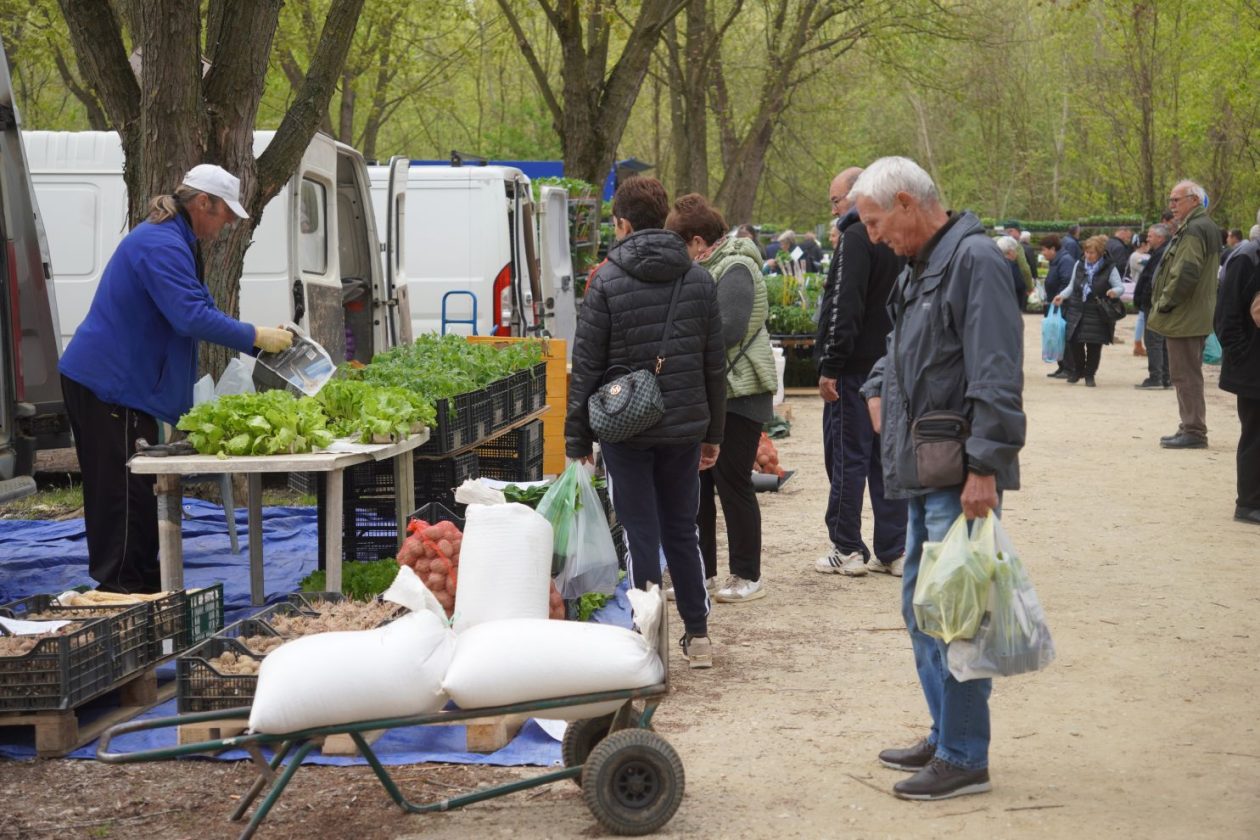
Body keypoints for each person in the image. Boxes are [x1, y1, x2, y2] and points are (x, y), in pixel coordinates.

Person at [853, 156, 1025, 801]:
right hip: (928, 468)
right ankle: (945, 730)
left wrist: (985, 466)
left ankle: (964, 756)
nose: (873, 236)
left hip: (956, 471)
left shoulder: (973, 261)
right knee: (923, 608)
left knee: (955, 615)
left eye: (874, 222)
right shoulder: (924, 266)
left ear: (905, 202)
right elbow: (905, 352)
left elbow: (996, 371)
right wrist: (875, 386)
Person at [58, 164, 294, 594]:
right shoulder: (160, 243)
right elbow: (190, 317)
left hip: (125, 387)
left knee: (142, 492)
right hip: (110, 386)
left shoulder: (176, 241)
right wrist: (254, 336)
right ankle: (121, 593)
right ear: (202, 202)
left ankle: (146, 583)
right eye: (224, 215)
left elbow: (197, 306)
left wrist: (261, 341)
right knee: (123, 496)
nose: (225, 226)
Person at [565, 176, 726, 669]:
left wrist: (577, 438)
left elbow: (587, 362)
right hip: (683, 428)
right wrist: (713, 433)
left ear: (623, 223)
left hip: (624, 429)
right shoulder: (699, 279)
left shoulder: (606, 280)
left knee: (639, 533)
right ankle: (697, 637)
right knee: (683, 528)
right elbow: (713, 364)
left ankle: (646, 636)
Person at [666, 194, 777, 602]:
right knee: (699, 485)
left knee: (732, 483)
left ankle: (747, 575)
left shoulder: (736, 267)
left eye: (681, 244)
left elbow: (728, 330)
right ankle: (703, 573)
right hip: (710, 393)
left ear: (697, 241)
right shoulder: (706, 268)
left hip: (741, 392)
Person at [814, 166, 907, 578]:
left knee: (847, 458)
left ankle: (847, 546)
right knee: (884, 457)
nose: (834, 209)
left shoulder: (855, 236)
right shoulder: (894, 233)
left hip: (855, 368)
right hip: (890, 363)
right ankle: (894, 546)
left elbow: (843, 305)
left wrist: (831, 363)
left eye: (835, 200)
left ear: (854, 196)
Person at [1148, 180, 1221, 449]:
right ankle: (1189, 426)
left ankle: (1193, 430)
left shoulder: (1195, 228)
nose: (1172, 206)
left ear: (1193, 199)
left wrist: (1166, 302)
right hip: (1191, 312)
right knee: (1185, 373)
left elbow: (1187, 271)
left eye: (1176, 200)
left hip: (1185, 314)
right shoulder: (1201, 226)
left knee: (1185, 374)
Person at [1215, 218, 1260, 525]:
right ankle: (1248, 502)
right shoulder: (1247, 257)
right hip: (1252, 364)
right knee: (1255, 434)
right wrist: (1243, 355)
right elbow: (1227, 317)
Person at [1051, 235, 1124, 387]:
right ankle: (1078, 371)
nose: (1088, 256)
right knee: (1074, 343)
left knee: (1094, 346)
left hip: (1097, 311)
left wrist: (1114, 291)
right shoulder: (1079, 264)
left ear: (1100, 253)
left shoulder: (1109, 267)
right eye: (1086, 252)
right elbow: (1071, 286)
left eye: (1092, 253)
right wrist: (1061, 296)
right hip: (1077, 309)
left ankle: (1090, 375)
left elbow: (1120, 287)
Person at [1133, 224, 1172, 388]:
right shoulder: (1161, 252)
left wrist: (1146, 298)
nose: (1147, 239)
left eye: (1150, 236)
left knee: (1154, 340)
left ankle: (1156, 377)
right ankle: (1165, 377)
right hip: (1158, 302)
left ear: (1160, 238)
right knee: (1161, 341)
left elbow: (1152, 279)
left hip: (1154, 303)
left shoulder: (1161, 254)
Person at [1040, 234, 1076, 379]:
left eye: (1044, 250)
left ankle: (1069, 367)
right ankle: (1061, 366)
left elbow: (1067, 282)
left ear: (1053, 249)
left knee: (1063, 336)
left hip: (1063, 305)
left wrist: (1059, 297)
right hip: (1055, 304)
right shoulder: (1056, 260)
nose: (1042, 253)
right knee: (1056, 336)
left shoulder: (1065, 261)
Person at [1001, 221, 1032, 301]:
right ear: (1010, 231)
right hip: (1014, 287)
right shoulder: (1015, 245)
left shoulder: (994, 241)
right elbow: (1024, 268)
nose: (1020, 235)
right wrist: (1030, 287)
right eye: (1019, 232)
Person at [995, 236, 1028, 310]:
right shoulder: (1012, 266)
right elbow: (1019, 286)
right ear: (1010, 252)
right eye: (1015, 251)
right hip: (1010, 305)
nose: (1016, 254)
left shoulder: (994, 265)